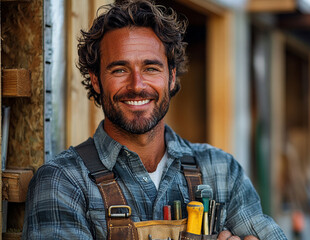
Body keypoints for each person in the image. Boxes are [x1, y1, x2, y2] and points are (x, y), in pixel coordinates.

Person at [22, 1, 287, 239]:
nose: (137, 85)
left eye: (151, 68)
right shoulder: (63, 183)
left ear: (171, 77)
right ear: (95, 79)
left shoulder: (221, 171)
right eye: (119, 69)